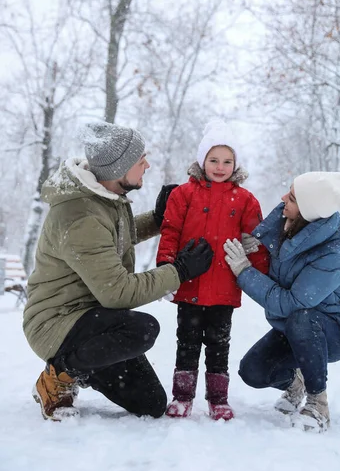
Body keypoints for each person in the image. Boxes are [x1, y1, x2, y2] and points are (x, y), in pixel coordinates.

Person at [23, 121, 213, 422]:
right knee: (142, 328)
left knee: (150, 403)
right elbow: (118, 292)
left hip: (92, 319)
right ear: (118, 168)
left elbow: (110, 238)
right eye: (141, 160)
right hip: (56, 322)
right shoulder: (81, 215)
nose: (147, 165)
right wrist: (179, 271)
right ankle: (59, 375)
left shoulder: (99, 198)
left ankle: (77, 365)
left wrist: (157, 218)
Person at [224, 171, 340, 432]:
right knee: (252, 371)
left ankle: (318, 404)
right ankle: (295, 383)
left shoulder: (332, 253)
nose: (282, 199)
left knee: (302, 315)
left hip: (333, 332)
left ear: (308, 210)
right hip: (292, 328)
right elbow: (273, 238)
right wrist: (258, 242)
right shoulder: (290, 223)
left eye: (291, 197)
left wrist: (244, 270)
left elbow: (292, 302)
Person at [156, 120, 269, 421]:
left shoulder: (245, 200)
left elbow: (256, 240)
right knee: (187, 343)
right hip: (190, 285)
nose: (220, 167)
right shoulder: (183, 195)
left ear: (236, 164)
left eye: (227, 161)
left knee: (219, 346)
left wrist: (258, 261)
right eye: (214, 160)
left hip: (223, 289)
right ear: (202, 160)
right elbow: (170, 232)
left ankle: (218, 399)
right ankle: (182, 396)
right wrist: (165, 271)